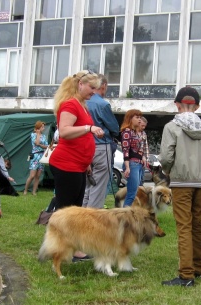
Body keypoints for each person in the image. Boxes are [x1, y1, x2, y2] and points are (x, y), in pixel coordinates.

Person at [160, 87, 201, 287]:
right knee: (197, 225)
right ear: (197, 106)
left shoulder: (171, 127)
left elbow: (166, 157)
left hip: (181, 182)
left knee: (183, 226)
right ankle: (198, 268)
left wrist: (167, 171)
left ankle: (186, 275)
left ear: (177, 105)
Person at [49, 70, 104, 261]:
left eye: (96, 88)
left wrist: (87, 162)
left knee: (75, 209)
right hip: (66, 164)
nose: (94, 91)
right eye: (91, 87)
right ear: (80, 84)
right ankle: (62, 249)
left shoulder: (81, 105)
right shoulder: (71, 104)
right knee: (67, 211)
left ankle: (73, 248)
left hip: (78, 165)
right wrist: (89, 128)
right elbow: (64, 132)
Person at [82, 74, 120, 209]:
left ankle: (82, 217)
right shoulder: (102, 104)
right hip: (101, 146)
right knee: (98, 187)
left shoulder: (82, 102)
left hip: (84, 146)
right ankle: (92, 221)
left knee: (87, 186)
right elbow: (114, 128)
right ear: (103, 86)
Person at [120, 109, 144, 207]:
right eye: (137, 117)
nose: (139, 120)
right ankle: (124, 216)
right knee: (131, 193)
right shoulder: (127, 132)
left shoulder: (135, 132)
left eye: (140, 117)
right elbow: (126, 150)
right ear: (130, 118)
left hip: (138, 163)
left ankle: (126, 214)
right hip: (132, 163)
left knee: (133, 193)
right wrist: (127, 167)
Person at [24, 121, 48, 195]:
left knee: (38, 176)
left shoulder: (44, 136)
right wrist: (38, 134)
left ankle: (34, 191)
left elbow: (46, 146)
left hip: (42, 156)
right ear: (38, 127)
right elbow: (36, 143)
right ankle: (25, 190)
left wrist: (40, 145)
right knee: (32, 175)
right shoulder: (33, 135)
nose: (43, 128)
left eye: (44, 127)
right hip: (35, 156)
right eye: (42, 127)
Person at [138, 116, 149, 186]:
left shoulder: (144, 133)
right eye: (142, 126)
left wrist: (146, 158)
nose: (143, 127)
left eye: (145, 126)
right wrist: (141, 156)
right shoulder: (131, 133)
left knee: (141, 180)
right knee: (135, 182)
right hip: (135, 160)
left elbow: (145, 147)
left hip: (143, 162)